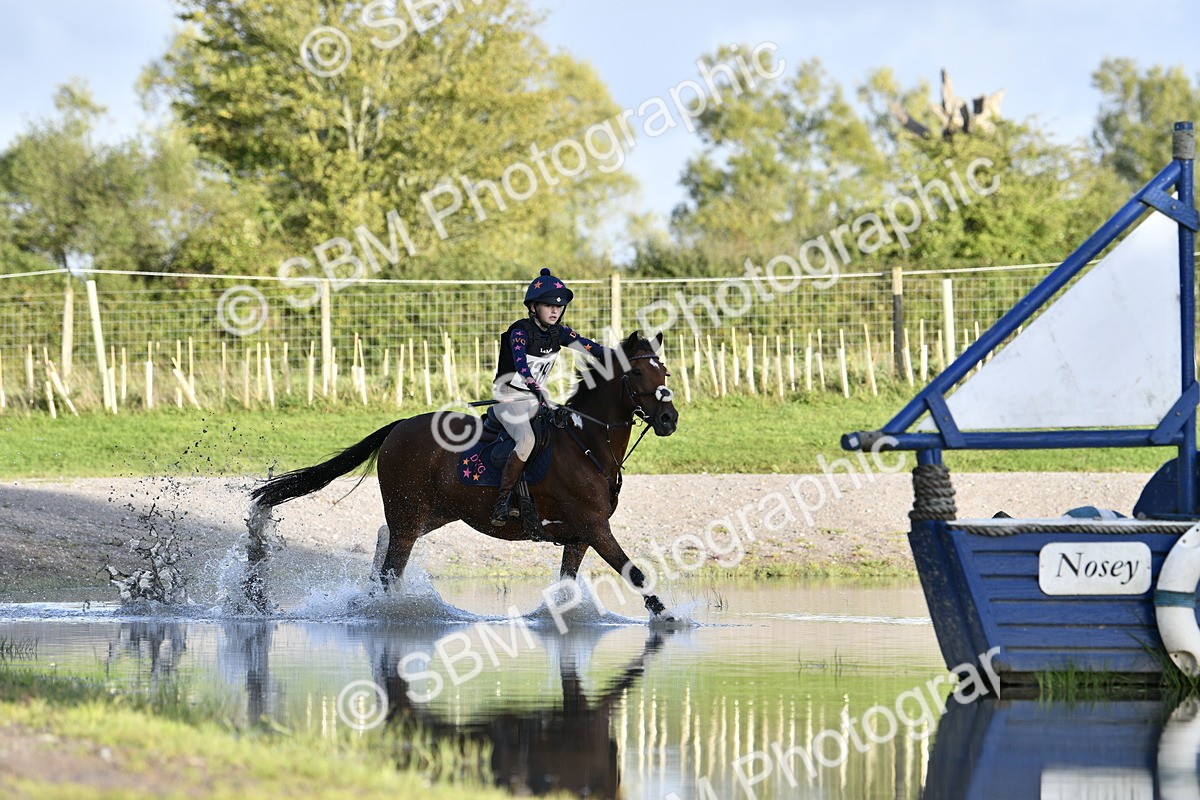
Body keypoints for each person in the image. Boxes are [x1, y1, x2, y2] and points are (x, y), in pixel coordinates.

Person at [490, 268, 611, 526]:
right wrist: (535, 386)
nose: (555, 311)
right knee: (526, 441)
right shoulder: (519, 331)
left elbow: (590, 347)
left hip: (536, 401)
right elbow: (522, 365)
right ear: (533, 308)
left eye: (559, 306)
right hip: (509, 399)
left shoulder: (560, 333)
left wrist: (619, 357)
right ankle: (502, 501)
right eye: (548, 306)